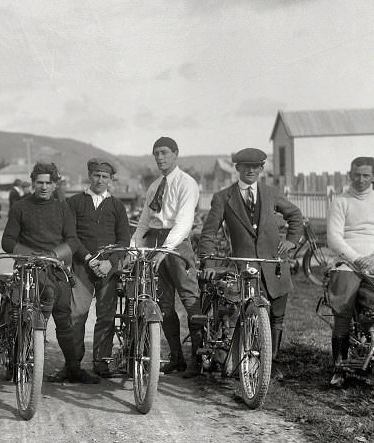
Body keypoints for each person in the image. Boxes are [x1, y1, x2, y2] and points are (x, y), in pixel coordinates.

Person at [198, 148, 304, 380]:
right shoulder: (223, 197)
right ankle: (239, 359)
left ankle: (270, 362)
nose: (250, 171)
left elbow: (295, 215)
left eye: (255, 167)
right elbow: (209, 232)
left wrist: (291, 242)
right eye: (245, 167)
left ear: (261, 169)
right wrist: (206, 260)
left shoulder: (271, 193)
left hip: (274, 266)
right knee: (243, 313)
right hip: (244, 268)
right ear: (237, 168)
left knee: (276, 317)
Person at [1, 161, 93, 384]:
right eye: (40, 182)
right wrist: (29, 255)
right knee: (21, 312)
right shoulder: (20, 208)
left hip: (55, 267)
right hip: (28, 267)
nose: (44, 187)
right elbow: (7, 240)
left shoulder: (62, 208)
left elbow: (72, 239)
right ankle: (18, 356)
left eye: (49, 183)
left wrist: (54, 255)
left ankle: (73, 368)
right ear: (33, 183)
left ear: (55, 185)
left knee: (64, 317)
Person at [130, 136, 203, 376]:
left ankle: (198, 360)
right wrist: (135, 247)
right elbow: (144, 221)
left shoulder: (187, 183)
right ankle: (176, 357)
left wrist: (166, 250)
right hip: (155, 243)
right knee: (163, 304)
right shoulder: (154, 186)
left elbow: (184, 223)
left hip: (177, 245)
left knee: (190, 300)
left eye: (164, 153)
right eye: (156, 154)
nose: (160, 158)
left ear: (175, 153)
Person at [325, 156, 374, 387]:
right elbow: (334, 237)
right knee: (343, 310)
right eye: (357, 175)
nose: (361, 179)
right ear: (350, 174)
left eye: (366, 175)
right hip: (348, 262)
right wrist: (357, 258)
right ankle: (340, 366)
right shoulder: (340, 201)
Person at [66, 157, 131, 378]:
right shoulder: (74, 202)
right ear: (89, 176)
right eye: (96, 175)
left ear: (111, 180)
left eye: (105, 176)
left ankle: (101, 362)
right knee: (77, 314)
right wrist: (87, 258)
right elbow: (70, 236)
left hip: (108, 269)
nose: (100, 180)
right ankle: (73, 364)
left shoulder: (117, 206)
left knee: (106, 315)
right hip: (82, 267)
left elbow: (124, 240)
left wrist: (110, 262)